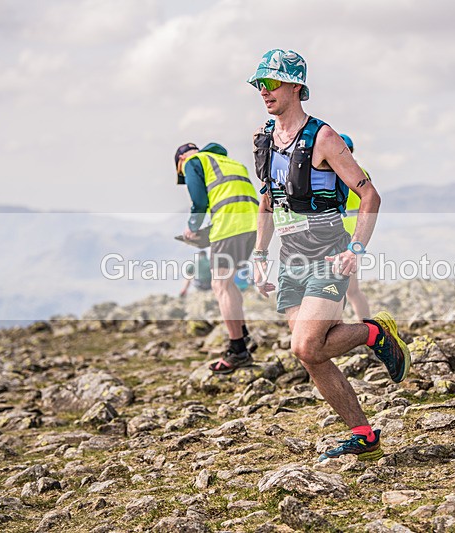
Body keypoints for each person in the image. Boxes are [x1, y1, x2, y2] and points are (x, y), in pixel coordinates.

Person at [247, 49, 411, 462]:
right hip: (290, 257)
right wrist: (260, 254)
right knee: (315, 354)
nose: (263, 92)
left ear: (296, 86)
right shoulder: (265, 139)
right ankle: (364, 435)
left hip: (327, 251)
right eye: (259, 85)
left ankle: (376, 333)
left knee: (304, 347)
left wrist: (356, 248)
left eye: (271, 83)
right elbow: (268, 202)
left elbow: (369, 194)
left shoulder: (323, 137)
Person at [174, 142, 260, 373]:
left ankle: (238, 350)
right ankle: (244, 337)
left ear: (181, 160)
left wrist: (193, 228)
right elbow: (231, 197)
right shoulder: (230, 162)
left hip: (230, 227)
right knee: (228, 282)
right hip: (254, 225)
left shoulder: (194, 162)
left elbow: (200, 202)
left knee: (219, 284)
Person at [340, 134, 372, 319]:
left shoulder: (338, 172)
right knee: (353, 290)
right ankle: (369, 330)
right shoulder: (363, 173)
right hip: (357, 236)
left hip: (339, 235)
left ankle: (332, 337)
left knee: (335, 290)